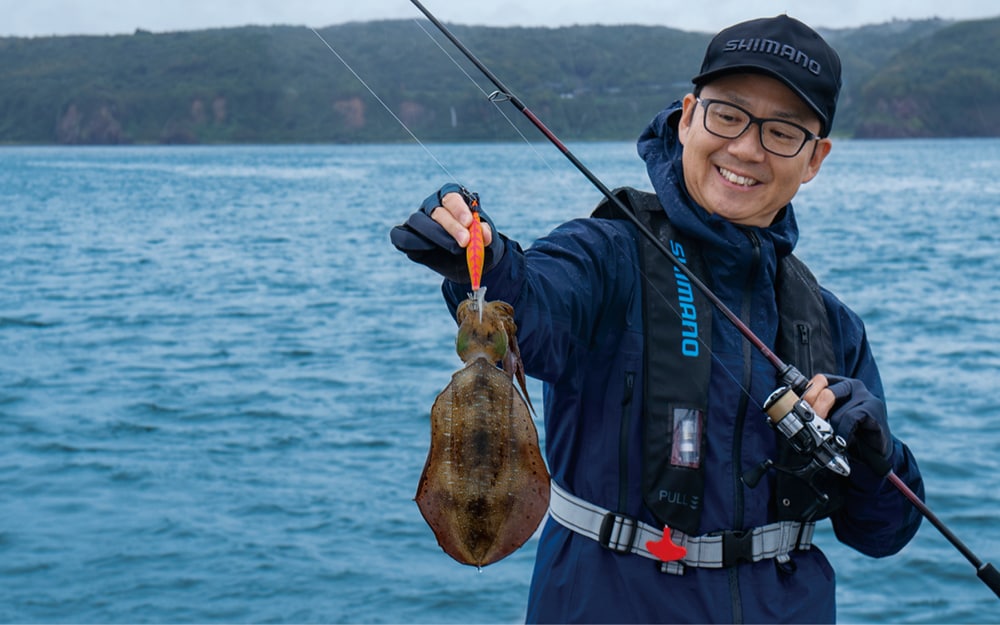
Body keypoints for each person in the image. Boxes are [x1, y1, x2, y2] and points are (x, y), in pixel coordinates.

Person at [391, 14, 924, 623]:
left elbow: (884, 533)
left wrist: (878, 453)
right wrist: (479, 258)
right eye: (728, 115)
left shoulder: (831, 325)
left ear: (815, 158)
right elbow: (535, 303)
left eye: (781, 131)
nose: (746, 147)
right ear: (689, 115)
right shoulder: (604, 257)